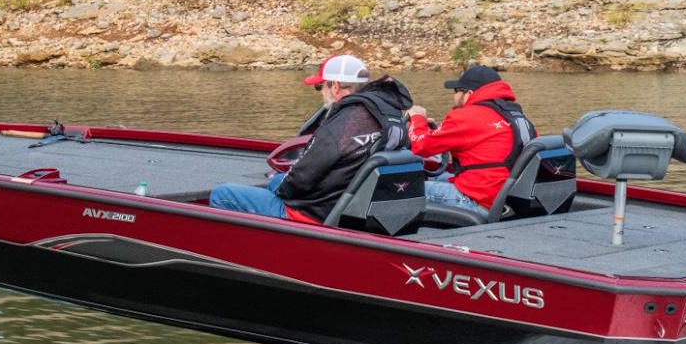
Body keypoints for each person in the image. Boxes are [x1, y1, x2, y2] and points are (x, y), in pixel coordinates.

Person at [209, 55, 414, 223]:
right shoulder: (389, 116)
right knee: (278, 181)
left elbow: (302, 177)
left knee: (222, 194)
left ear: (335, 87)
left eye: (320, 87)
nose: (320, 93)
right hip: (349, 204)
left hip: (314, 213)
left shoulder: (342, 125)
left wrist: (282, 190)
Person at [407, 64, 535, 213]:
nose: (454, 96)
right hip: (507, 199)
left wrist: (417, 118)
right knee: (438, 177)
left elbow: (420, 145)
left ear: (468, 93)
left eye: (456, 90)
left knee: (403, 188)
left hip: (478, 201)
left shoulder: (467, 116)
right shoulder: (518, 117)